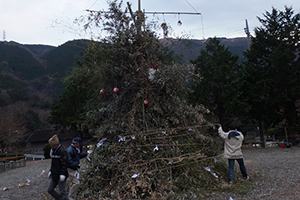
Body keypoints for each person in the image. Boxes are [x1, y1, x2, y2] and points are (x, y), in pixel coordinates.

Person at [47, 134, 69, 200]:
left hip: (61, 175)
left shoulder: (62, 151)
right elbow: (53, 163)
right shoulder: (53, 151)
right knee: (50, 190)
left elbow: (65, 163)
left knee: (62, 192)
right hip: (54, 174)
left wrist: (63, 173)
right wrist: (51, 170)